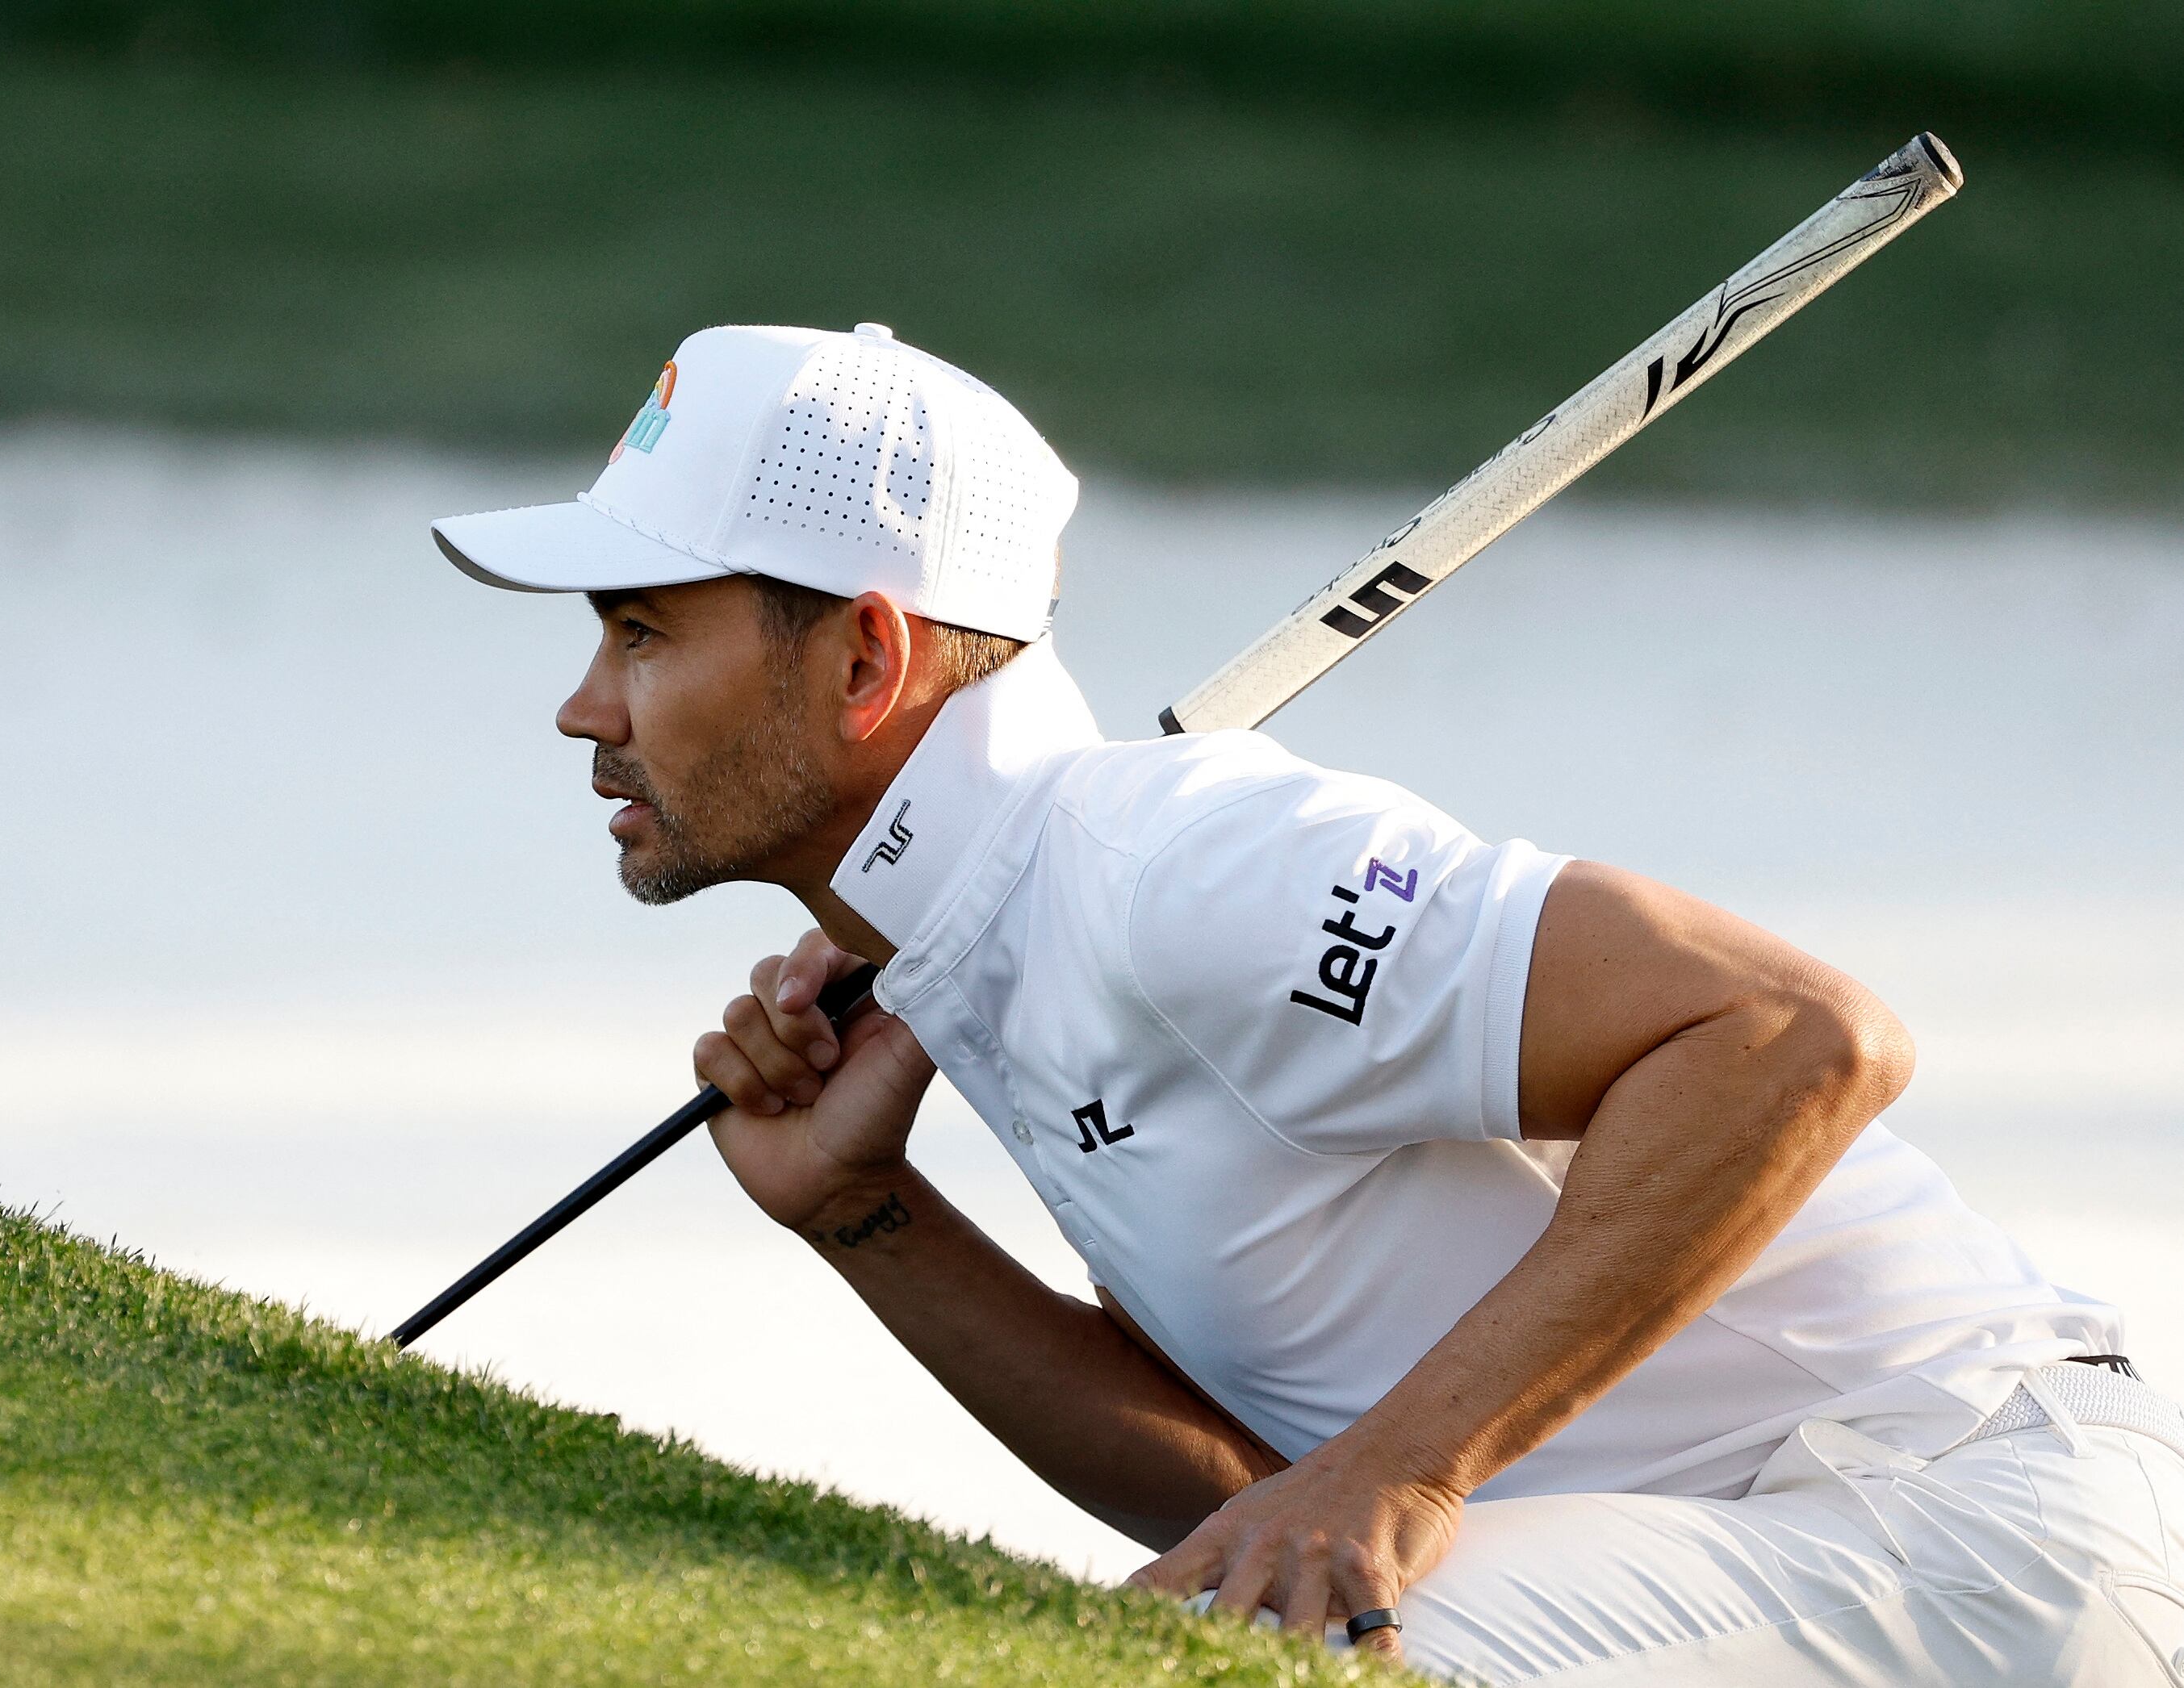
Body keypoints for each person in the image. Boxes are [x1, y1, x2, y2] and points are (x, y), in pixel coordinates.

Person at [432, 322, 2184, 1683]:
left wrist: (1411, 1470)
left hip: (1966, 1504)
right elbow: (1256, 1499)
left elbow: (1796, 1035)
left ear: (872, 658)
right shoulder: (991, 944)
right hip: (1778, 1552)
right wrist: (865, 1211)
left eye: (643, 632)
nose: (588, 707)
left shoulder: (1173, 863)